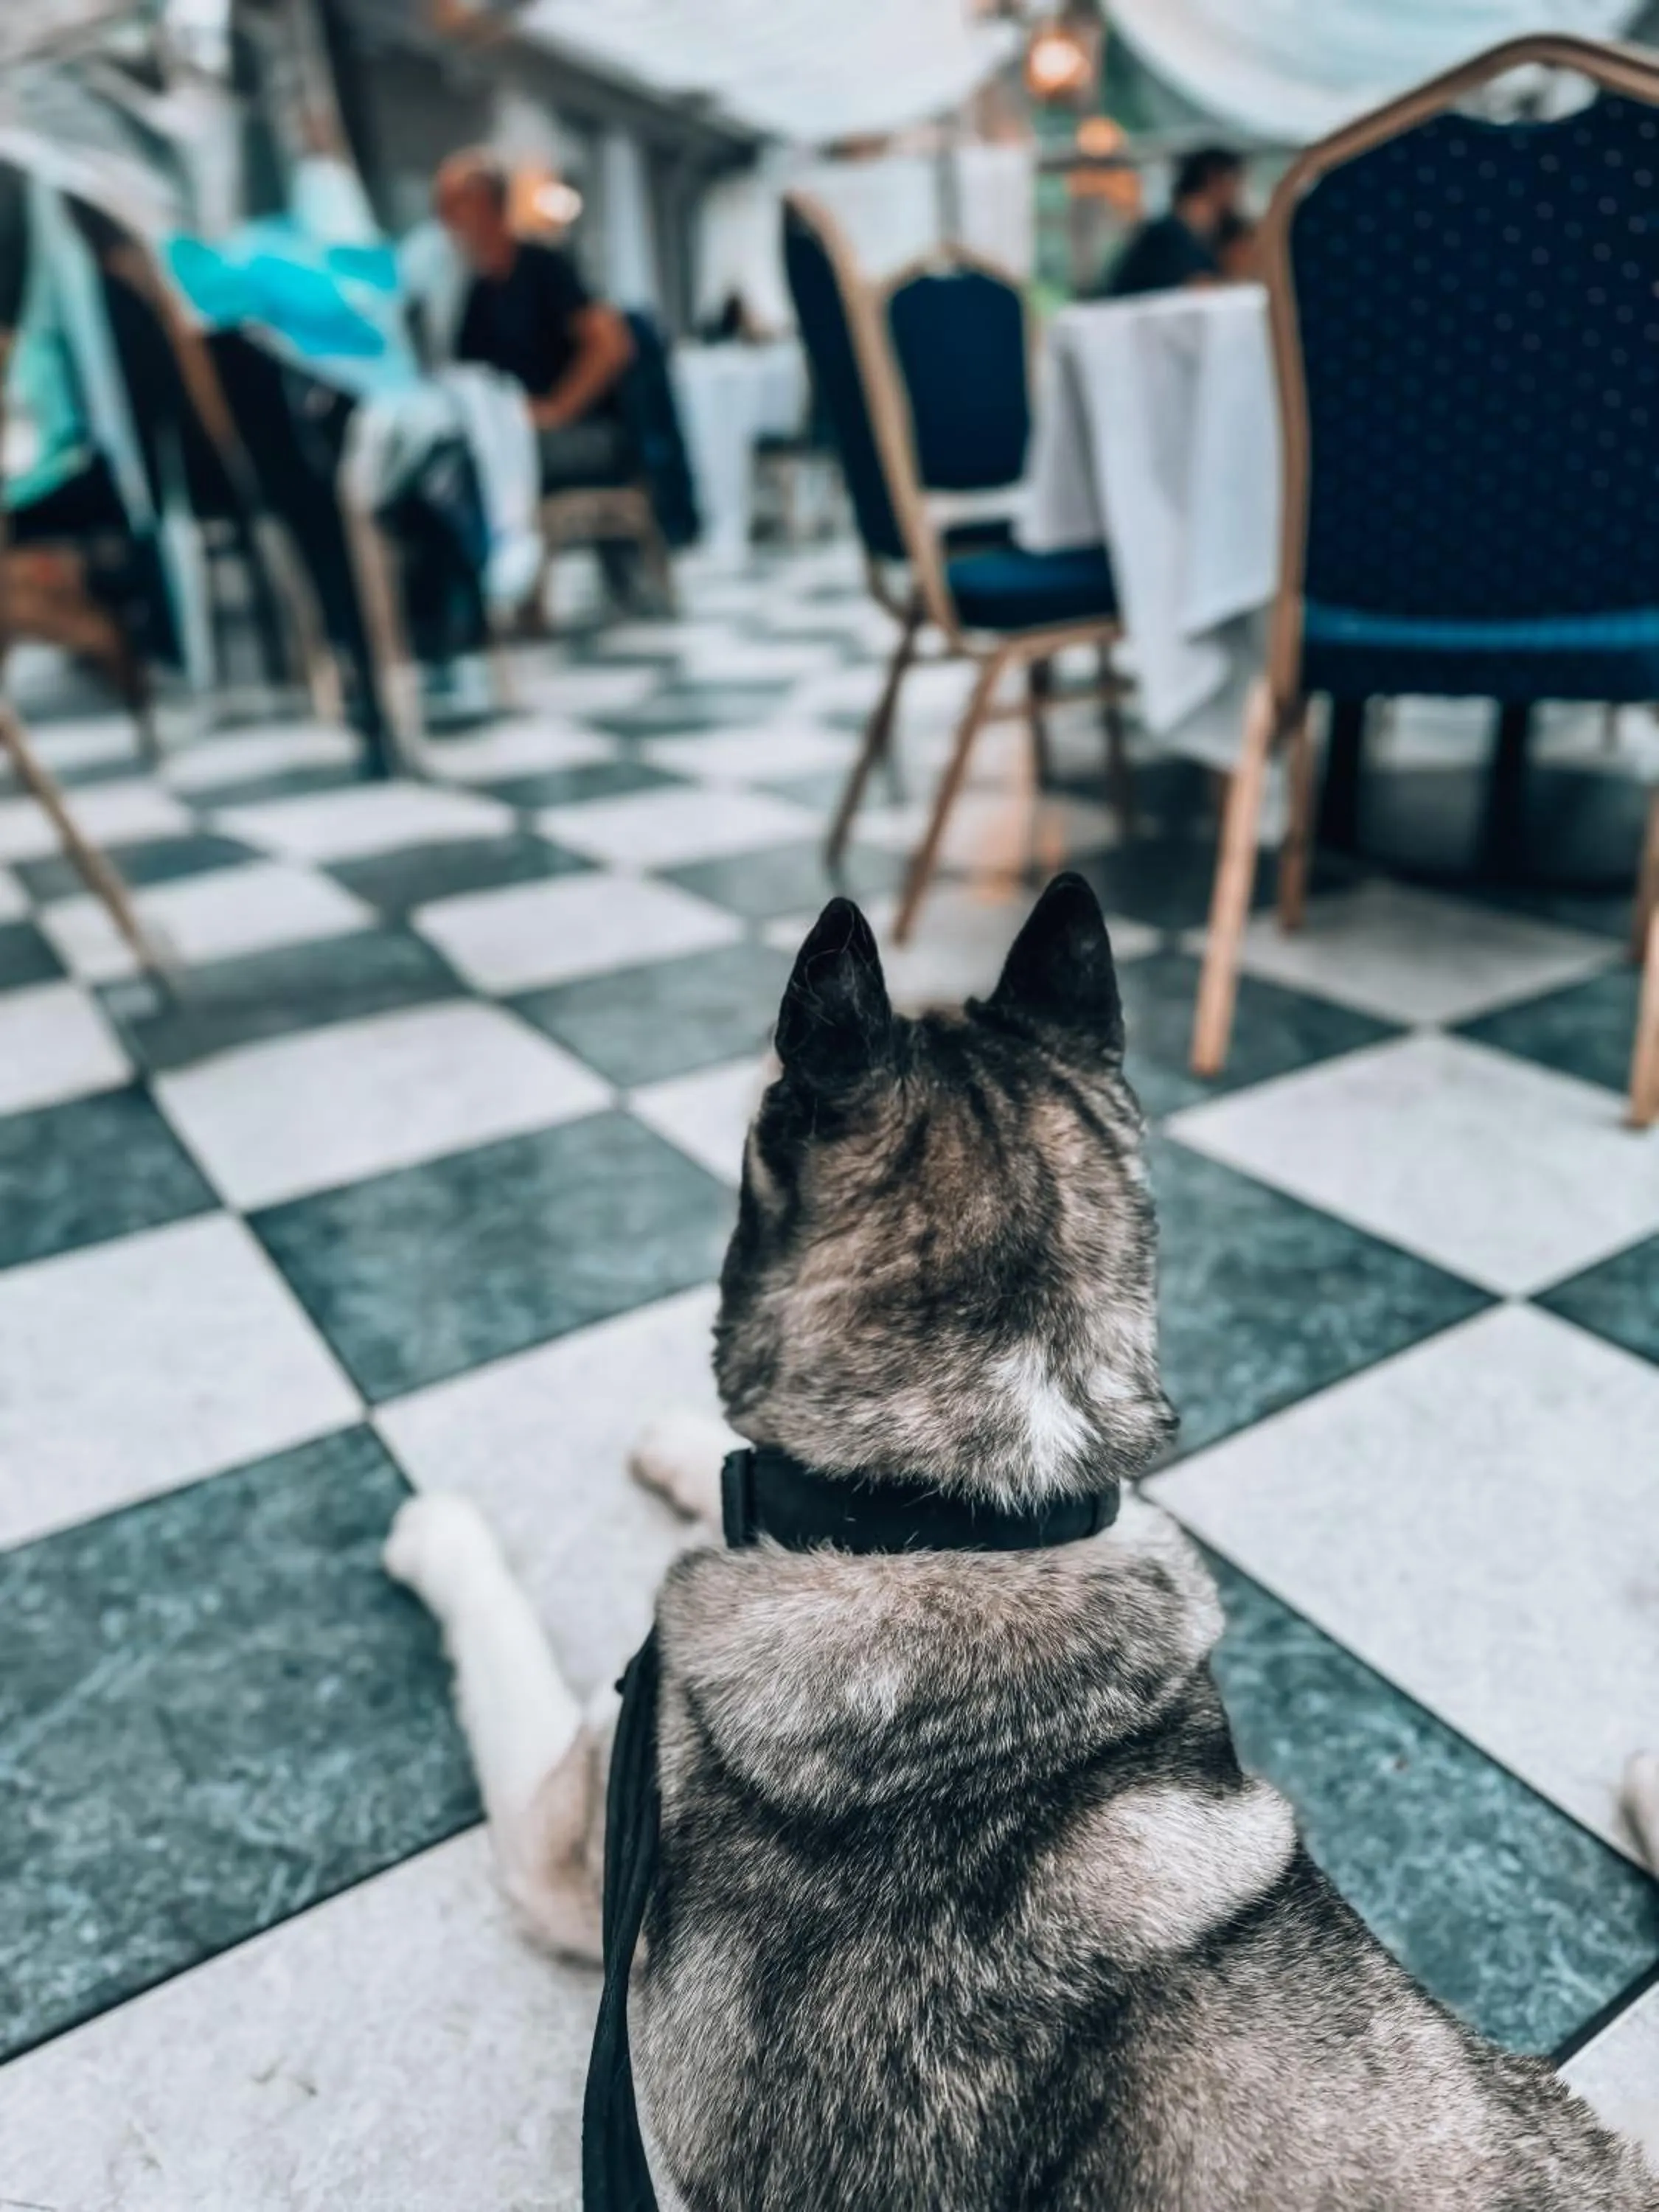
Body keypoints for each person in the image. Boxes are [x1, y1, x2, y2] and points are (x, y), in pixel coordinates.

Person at [434, 149, 648, 605]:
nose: (445, 219)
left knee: (473, 472)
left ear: (486, 207)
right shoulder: (477, 292)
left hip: (583, 433)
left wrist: (557, 410)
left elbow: (613, 345)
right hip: (515, 432)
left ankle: (491, 593)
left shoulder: (544, 269)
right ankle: (473, 597)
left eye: (454, 205)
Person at [1099, 145, 1245, 299]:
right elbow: (1200, 288)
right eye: (1235, 181)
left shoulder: (1212, 234)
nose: (1238, 192)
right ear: (1214, 179)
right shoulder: (1165, 236)